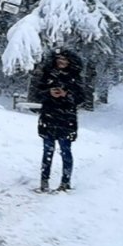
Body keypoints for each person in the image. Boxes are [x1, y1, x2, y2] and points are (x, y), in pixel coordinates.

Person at [35, 48, 85, 192]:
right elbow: (37, 94)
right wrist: (49, 93)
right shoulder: (47, 75)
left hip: (66, 119)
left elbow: (81, 98)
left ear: (70, 62)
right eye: (59, 59)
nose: (61, 62)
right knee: (47, 151)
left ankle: (65, 182)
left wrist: (66, 94)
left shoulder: (75, 77)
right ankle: (44, 182)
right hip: (48, 118)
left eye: (64, 60)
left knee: (65, 150)